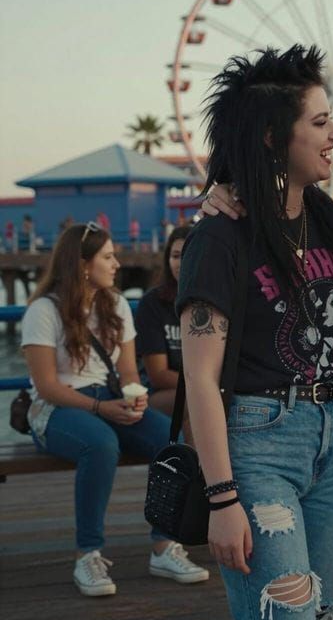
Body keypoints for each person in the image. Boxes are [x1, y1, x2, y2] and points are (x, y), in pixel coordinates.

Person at [177, 45, 333, 620]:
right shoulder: (219, 238)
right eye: (321, 123)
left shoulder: (326, 216)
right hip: (256, 442)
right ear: (274, 139)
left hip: (332, 437)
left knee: (319, 614)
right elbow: (199, 377)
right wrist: (222, 498)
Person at [21, 222, 209, 597]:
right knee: (101, 444)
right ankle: (87, 553)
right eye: (107, 257)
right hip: (57, 409)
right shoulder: (43, 311)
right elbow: (47, 386)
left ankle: (163, 545)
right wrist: (100, 408)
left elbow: (126, 373)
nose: (117, 264)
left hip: (107, 400)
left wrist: (134, 396)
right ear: (82, 264)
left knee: (167, 440)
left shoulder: (118, 304)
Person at [132, 225, 191, 419]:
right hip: (160, 393)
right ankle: (192, 451)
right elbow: (158, 375)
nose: (181, 263)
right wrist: (205, 386)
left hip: (207, 387)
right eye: (175, 256)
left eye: (189, 254)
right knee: (196, 401)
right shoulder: (153, 303)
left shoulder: (219, 301)